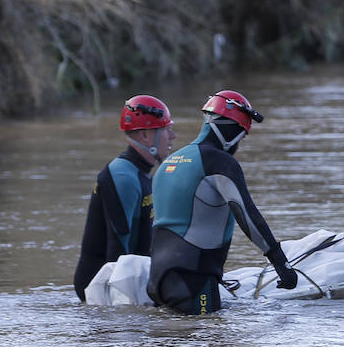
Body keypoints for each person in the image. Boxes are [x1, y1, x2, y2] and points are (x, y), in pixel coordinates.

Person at [148, 89, 298, 313]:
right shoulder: (219, 162)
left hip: (157, 279)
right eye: (241, 134)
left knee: (173, 342)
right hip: (195, 281)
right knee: (209, 345)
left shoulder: (170, 162)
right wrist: (281, 265)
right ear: (231, 129)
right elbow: (247, 216)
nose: (239, 143)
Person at [74, 95, 175, 301]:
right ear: (146, 135)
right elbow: (117, 254)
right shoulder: (122, 176)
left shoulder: (142, 173)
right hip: (101, 289)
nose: (172, 136)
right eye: (165, 129)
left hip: (131, 280)